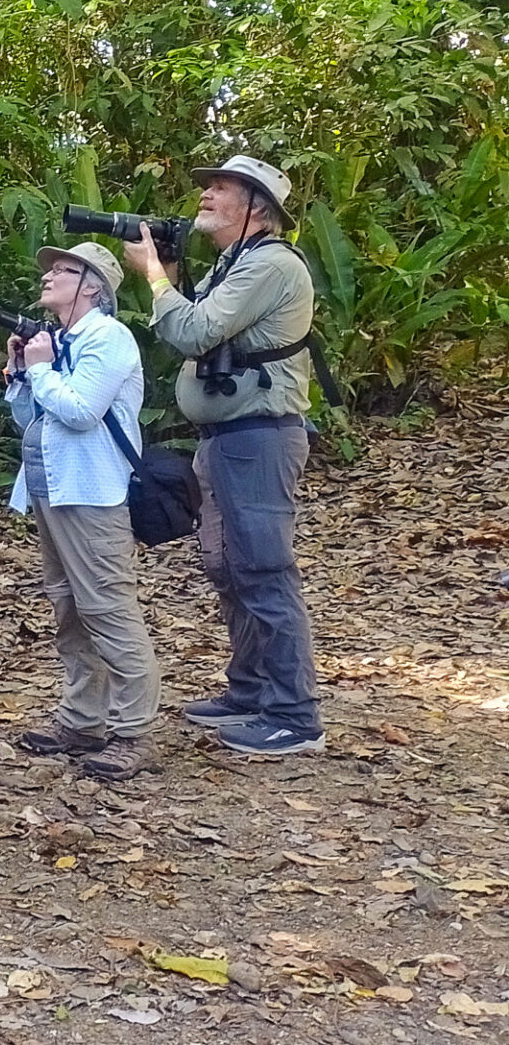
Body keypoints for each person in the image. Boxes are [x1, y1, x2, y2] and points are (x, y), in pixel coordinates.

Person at [124, 154, 324, 757]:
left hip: (260, 437)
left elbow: (190, 334)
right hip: (227, 439)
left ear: (256, 208)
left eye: (220, 188)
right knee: (229, 567)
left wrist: (155, 277)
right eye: (208, 187)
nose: (206, 196)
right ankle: (250, 690)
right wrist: (176, 275)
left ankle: (294, 714)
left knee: (263, 568)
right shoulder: (235, 263)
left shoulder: (270, 263)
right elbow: (195, 321)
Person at [2, 242, 157, 780]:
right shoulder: (60, 341)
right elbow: (32, 419)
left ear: (93, 285)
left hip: (92, 493)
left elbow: (82, 412)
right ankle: (81, 718)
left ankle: (132, 730)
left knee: (108, 609)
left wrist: (42, 369)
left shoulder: (109, 338)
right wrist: (22, 372)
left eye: (61, 271)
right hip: (52, 490)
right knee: (69, 608)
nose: (47, 277)